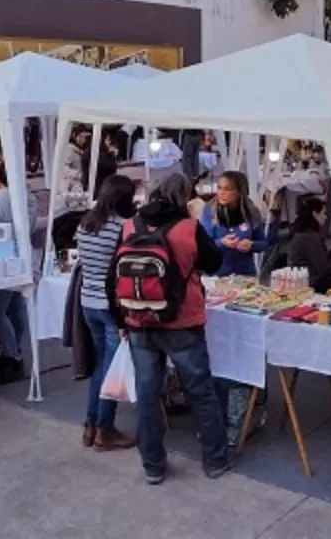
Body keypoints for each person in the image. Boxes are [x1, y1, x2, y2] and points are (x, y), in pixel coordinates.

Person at [116, 173, 228, 485]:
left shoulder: (129, 226)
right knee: (201, 392)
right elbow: (215, 262)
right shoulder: (189, 228)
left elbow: (114, 277)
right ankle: (215, 460)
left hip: (139, 321)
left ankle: (153, 465)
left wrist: (121, 320)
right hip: (183, 321)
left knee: (148, 395)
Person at [75, 175, 138, 451]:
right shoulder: (122, 227)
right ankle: (104, 428)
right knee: (111, 369)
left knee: (101, 363)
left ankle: (91, 423)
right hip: (111, 304)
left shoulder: (86, 223)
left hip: (88, 301)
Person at [0, 163, 38, 380]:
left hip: (1, 259)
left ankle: (12, 354)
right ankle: (13, 351)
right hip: (22, 257)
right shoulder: (29, 198)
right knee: (15, 307)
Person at [200, 171, 271, 276]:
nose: (221, 193)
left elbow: (264, 244)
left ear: (239, 192)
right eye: (219, 188)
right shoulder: (209, 210)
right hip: (217, 275)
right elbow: (204, 245)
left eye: (227, 189)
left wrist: (251, 245)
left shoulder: (252, 211)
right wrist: (222, 242)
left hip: (245, 275)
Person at [287, 197, 331, 294]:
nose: (326, 217)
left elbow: (319, 259)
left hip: (304, 280)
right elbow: (324, 270)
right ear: (315, 214)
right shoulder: (310, 237)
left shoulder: (302, 234)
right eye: (323, 213)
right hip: (312, 284)